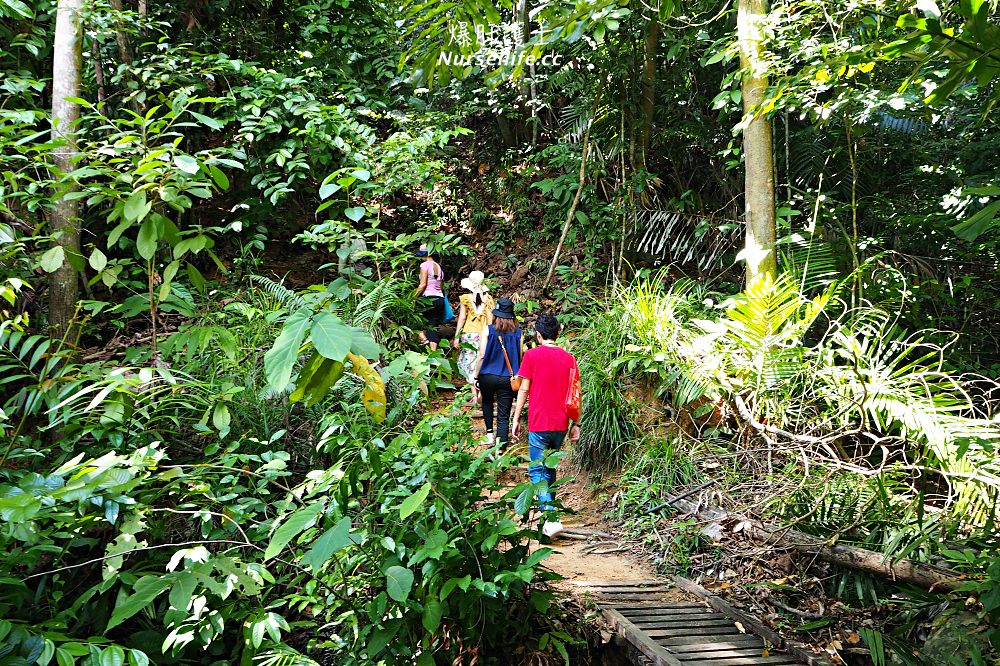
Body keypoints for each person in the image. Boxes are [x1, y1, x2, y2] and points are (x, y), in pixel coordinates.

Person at [512, 312, 580, 538]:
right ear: (558, 333)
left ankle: (550, 517)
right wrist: (575, 423)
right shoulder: (569, 358)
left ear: (538, 335)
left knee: (536, 469)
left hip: (539, 420)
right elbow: (575, 392)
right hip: (561, 422)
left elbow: (523, 388)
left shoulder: (532, 356)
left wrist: (515, 418)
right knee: (549, 467)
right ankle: (552, 515)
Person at [473, 297, 523, 448]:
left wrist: (475, 376)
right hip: (508, 378)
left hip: (487, 375)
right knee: (503, 414)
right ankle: (500, 451)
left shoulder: (487, 330)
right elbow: (519, 358)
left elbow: (481, 355)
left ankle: (489, 434)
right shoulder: (519, 333)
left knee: (487, 402)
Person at [452, 270, 494, 408]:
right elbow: (490, 319)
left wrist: (457, 337)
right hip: (483, 334)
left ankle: (474, 395)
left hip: (469, 334)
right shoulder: (487, 298)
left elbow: (462, 318)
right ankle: (482, 390)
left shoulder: (465, 298)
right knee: (481, 362)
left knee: (469, 363)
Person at [412, 244, 445, 350]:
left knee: (416, 320)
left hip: (428, 298)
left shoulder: (424, 265)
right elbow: (440, 286)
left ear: (424, 254)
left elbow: (422, 285)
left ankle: (424, 340)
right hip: (439, 298)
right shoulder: (439, 267)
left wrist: (413, 298)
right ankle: (433, 354)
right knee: (432, 325)